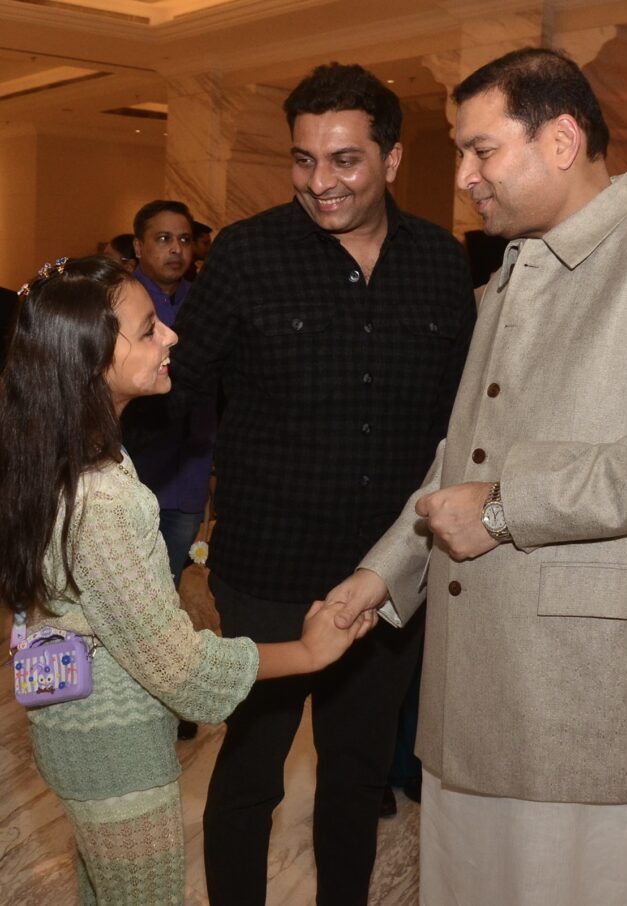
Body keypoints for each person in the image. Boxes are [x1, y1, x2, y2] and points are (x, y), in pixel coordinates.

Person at [326, 47, 627, 906]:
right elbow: (461, 461)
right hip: (481, 702)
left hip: (608, 709)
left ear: (561, 140)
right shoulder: (505, 279)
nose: (462, 176)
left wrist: (503, 510)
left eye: (481, 150)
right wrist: (382, 572)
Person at [162, 62, 476, 905]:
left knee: (357, 775)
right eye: (304, 160)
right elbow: (177, 385)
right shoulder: (248, 255)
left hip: (389, 567)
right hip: (266, 566)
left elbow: (464, 425)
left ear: (394, 158)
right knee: (252, 772)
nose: (320, 183)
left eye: (344, 161)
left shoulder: (441, 266)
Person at [0, 256, 371, 905]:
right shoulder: (103, 499)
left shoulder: (49, 455)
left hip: (75, 732)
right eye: (148, 330)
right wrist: (311, 651)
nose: (171, 335)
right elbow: (183, 672)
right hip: (114, 756)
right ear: (91, 361)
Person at [124, 200, 216, 588]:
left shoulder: (209, 303)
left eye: (183, 239)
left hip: (191, 472)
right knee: (127, 590)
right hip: (136, 473)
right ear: (138, 246)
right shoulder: (119, 302)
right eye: (163, 239)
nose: (176, 249)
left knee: (169, 587)